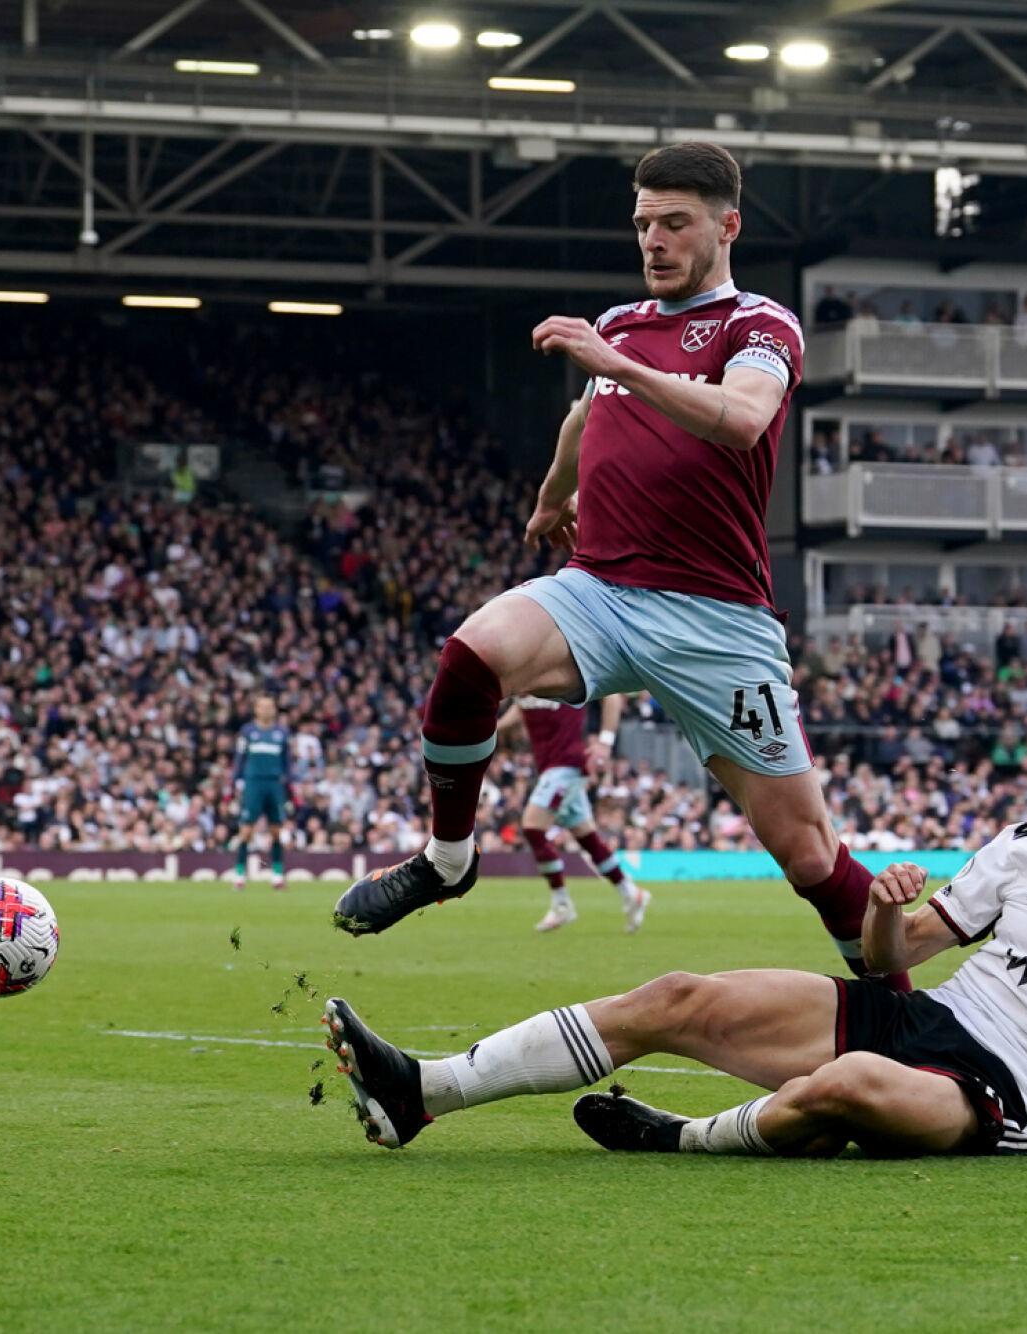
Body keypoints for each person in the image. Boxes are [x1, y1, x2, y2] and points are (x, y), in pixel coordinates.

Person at [332, 142, 899, 987]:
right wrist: (551, 496)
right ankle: (449, 860)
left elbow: (742, 420)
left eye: (675, 223)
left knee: (810, 856)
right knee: (471, 654)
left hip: (717, 620)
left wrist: (618, 364)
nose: (654, 241)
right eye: (643, 224)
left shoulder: (759, 325)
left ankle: (905, 1023)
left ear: (727, 226)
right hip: (602, 588)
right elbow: (584, 418)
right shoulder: (624, 324)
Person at [321, 711, 1027, 1162]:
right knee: (678, 993)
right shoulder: (1023, 848)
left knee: (843, 1087)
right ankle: (425, 1089)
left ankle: (679, 1137)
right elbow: (888, 959)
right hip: (929, 1016)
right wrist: (881, 905)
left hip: (1014, 1101)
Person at [496, 692, 651, 933]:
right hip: (551, 768)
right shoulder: (527, 678)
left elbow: (612, 696)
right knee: (587, 837)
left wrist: (605, 741)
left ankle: (561, 902)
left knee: (532, 827)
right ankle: (631, 893)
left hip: (567, 765)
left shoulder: (564, 671)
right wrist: (490, 729)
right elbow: (521, 708)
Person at [230, 693, 292, 891]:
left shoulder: (281, 734)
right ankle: (239, 875)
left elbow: (287, 763)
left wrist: (290, 784)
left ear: (274, 709)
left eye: (270, 706)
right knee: (246, 831)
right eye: (262, 706)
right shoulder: (248, 732)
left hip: (274, 784)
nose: (266, 710)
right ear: (256, 709)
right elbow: (239, 759)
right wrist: (235, 781)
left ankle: (277, 875)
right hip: (253, 783)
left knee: (276, 831)